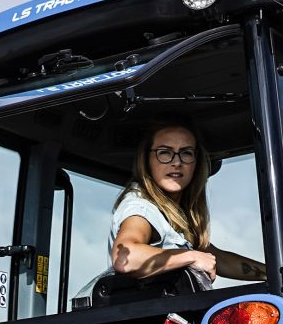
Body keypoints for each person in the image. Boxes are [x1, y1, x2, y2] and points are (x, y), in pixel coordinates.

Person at [109, 120, 263, 286]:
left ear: (196, 163)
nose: (177, 162)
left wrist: (273, 274)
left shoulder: (173, 217)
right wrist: (192, 257)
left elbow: (218, 259)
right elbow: (125, 257)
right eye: (165, 153)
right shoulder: (142, 208)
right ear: (147, 160)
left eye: (186, 153)